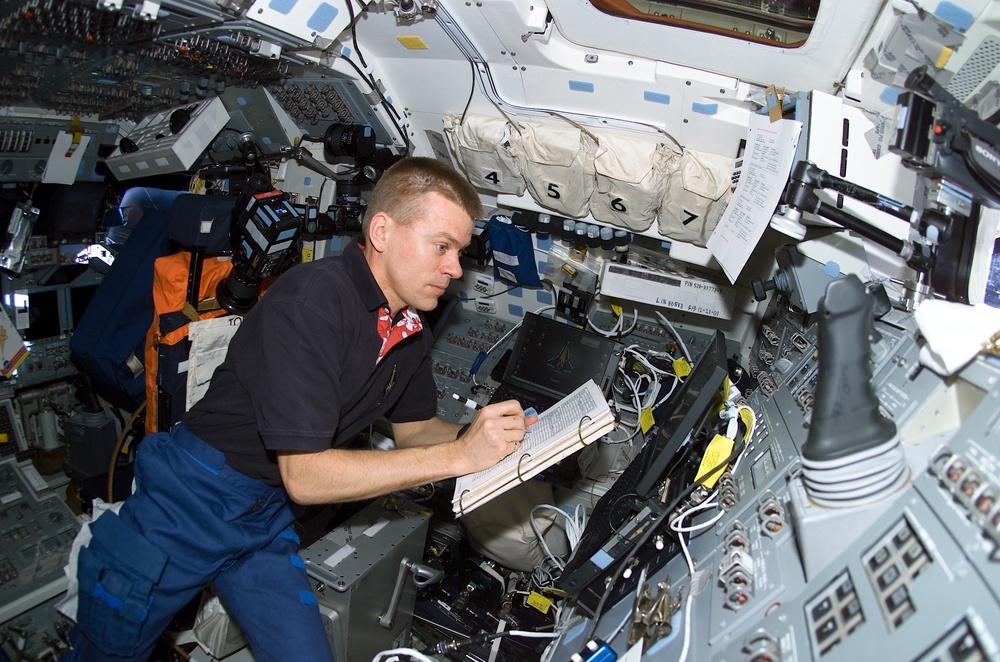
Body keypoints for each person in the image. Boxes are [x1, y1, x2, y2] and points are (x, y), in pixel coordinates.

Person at [63, 156, 537, 661]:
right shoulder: (312, 300)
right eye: (441, 246)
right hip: (192, 499)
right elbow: (307, 477)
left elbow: (415, 430)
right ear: (382, 231)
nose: (455, 268)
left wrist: (490, 438)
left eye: (460, 252)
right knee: (106, 651)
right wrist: (461, 456)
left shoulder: (409, 327)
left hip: (265, 517)